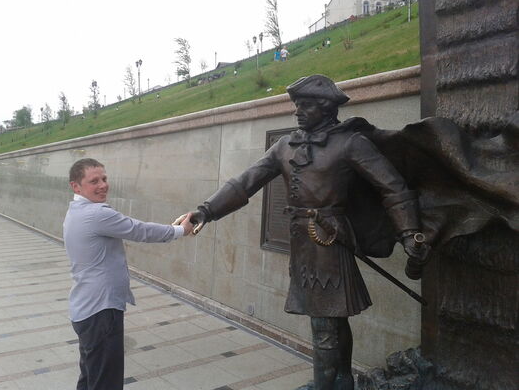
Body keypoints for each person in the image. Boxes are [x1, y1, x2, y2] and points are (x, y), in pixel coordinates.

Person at [184, 75, 428, 390]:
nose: (298, 112)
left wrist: (409, 232)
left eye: (306, 105)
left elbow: (393, 187)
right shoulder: (285, 145)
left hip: (329, 240)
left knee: (325, 322)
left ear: (326, 109)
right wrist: (206, 210)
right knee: (334, 317)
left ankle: (327, 385)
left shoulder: (350, 143)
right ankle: (342, 380)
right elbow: (246, 181)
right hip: (303, 243)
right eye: (297, 105)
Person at [63, 158, 193, 390]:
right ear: (76, 186)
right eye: (94, 181)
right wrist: (180, 230)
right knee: (106, 383)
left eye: (104, 178)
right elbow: (139, 230)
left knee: (90, 378)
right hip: (101, 310)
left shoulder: (75, 211)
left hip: (86, 308)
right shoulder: (96, 214)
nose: (103, 185)